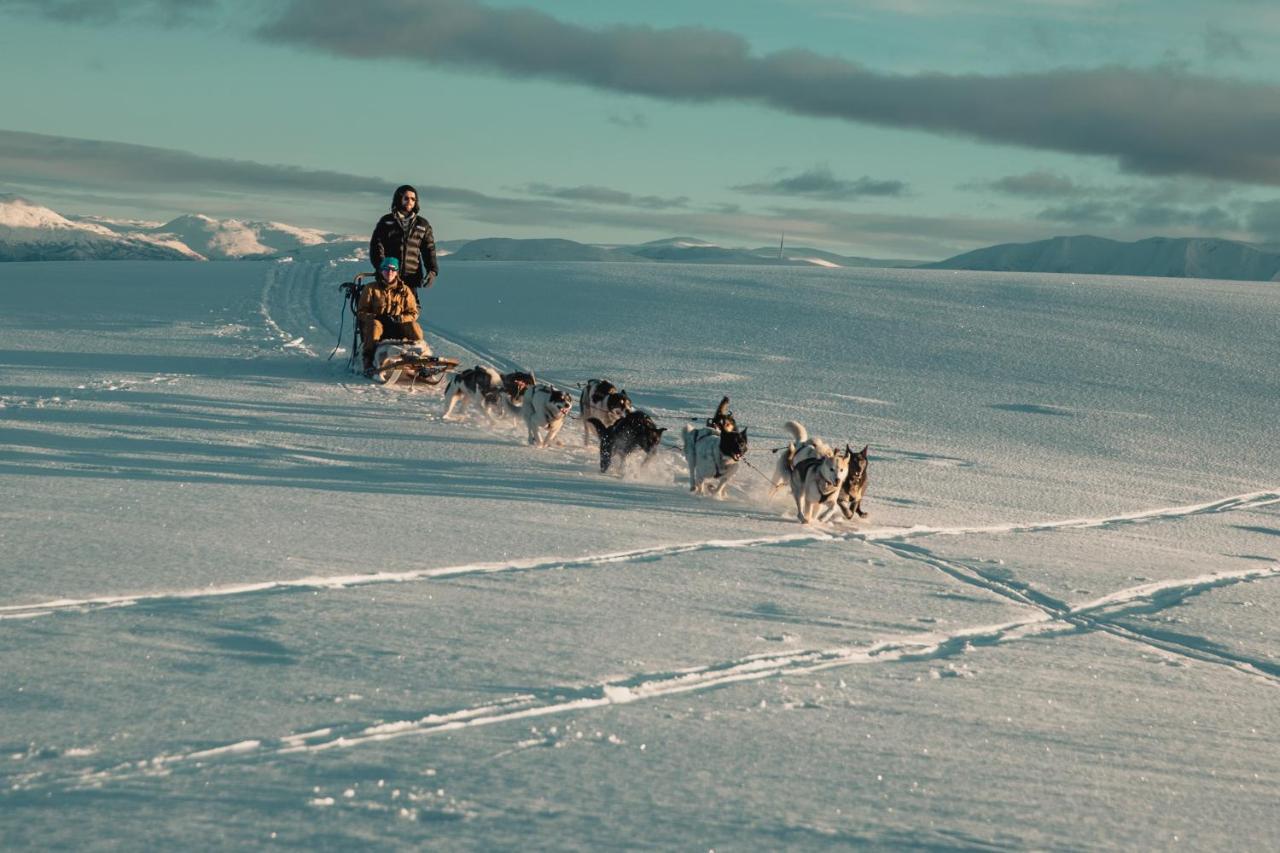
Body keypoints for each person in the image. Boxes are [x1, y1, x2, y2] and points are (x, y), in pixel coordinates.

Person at [370, 184, 438, 297]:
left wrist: (432, 271)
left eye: (413, 199)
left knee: (411, 311)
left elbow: (429, 249)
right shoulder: (386, 222)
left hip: (411, 278)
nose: (410, 201)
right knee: (385, 310)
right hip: (388, 277)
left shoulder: (423, 225)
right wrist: (382, 268)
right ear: (399, 199)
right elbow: (377, 246)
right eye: (406, 198)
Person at [357, 257, 423, 373]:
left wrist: (401, 318)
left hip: (398, 326)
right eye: (386, 269)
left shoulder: (405, 290)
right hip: (378, 328)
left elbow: (414, 312)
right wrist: (374, 317)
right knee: (374, 325)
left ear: (397, 272)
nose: (390, 272)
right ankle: (368, 359)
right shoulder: (371, 289)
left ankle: (420, 357)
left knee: (413, 326)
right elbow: (361, 312)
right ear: (381, 271)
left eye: (393, 269)